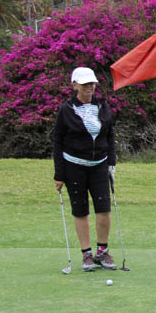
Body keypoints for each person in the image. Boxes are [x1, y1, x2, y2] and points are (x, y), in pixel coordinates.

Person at [53, 67, 117, 272]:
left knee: (104, 210)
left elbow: (109, 136)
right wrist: (59, 174)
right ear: (75, 86)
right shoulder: (66, 109)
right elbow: (58, 141)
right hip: (74, 167)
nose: (89, 87)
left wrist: (112, 164)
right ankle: (86, 254)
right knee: (80, 211)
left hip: (99, 165)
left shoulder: (103, 106)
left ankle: (102, 252)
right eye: (85, 84)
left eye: (92, 83)